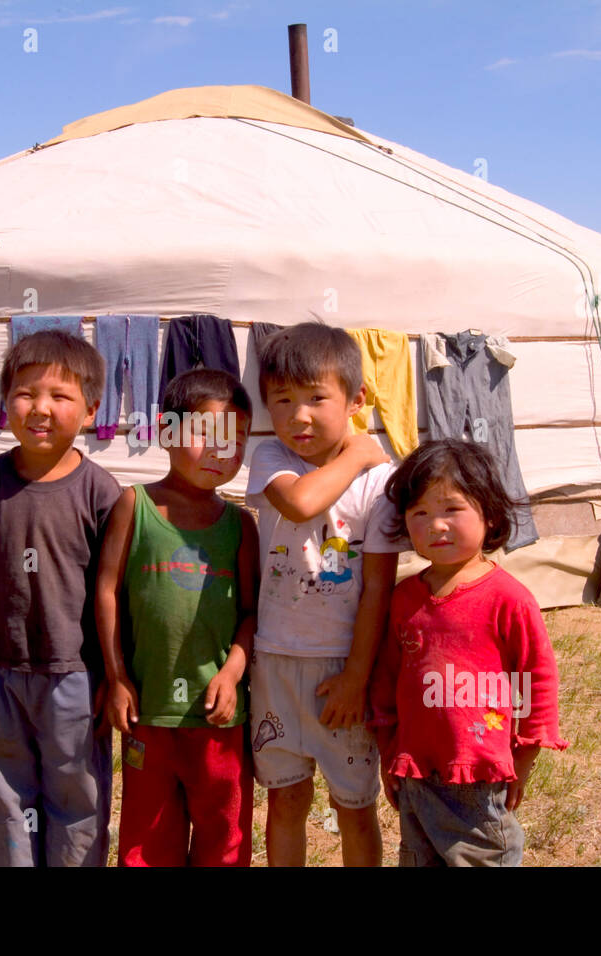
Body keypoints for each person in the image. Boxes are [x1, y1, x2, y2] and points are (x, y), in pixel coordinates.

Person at [0, 329, 121, 866]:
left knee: (77, 797)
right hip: (0, 674)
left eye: (59, 396)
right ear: (4, 403)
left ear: (90, 410)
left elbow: (112, 592)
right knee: (5, 797)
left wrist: (113, 674)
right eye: (25, 393)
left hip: (76, 678)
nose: (40, 408)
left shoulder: (101, 493)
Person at [370, 438, 568, 866]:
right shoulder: (405, 599)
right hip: (417, 771)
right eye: (419, 513)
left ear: (490, 513)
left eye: (451, 510)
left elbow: (536, 677)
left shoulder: (507, 599)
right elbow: (387, 679)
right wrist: (390, 750)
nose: (435, 525)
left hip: (479, 774)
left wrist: (525, 754)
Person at [245, 323, 399, 866]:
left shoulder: (382, 486)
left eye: (316, 398)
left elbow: (379, 585)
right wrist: (358, 455)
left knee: (354, 804)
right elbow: (302, 503)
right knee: (285, 797)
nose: (298, 415)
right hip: (276, 660)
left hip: (342, 665)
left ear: (357, 400)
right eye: (282, 401)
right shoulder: (270, 460)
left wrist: (357, 676)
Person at [97, 369, 260, 866]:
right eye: (205, 435)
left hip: (220, 717)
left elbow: (252, 614)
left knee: (223, 837)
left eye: (234, 441)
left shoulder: (240, 525)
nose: (219, 452)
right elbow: (106, 590)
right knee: (148, 839)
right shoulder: (135, 506)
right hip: (150, 710)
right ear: (167, 432)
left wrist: (232, 674)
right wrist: (117, 676)